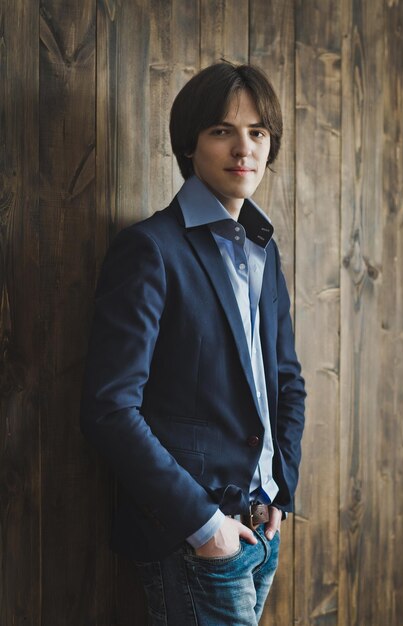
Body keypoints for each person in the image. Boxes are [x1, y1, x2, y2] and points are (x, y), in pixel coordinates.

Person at [80, 60, 306, 625]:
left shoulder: (264, 249)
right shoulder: (151, 249)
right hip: (194, 536)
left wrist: (280, 490)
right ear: (191, 144)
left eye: (258, 132)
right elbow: (111, 408)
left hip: (259, 529)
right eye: (221, 131)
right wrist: (204, 527)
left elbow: (286, 381)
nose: (243, 148)